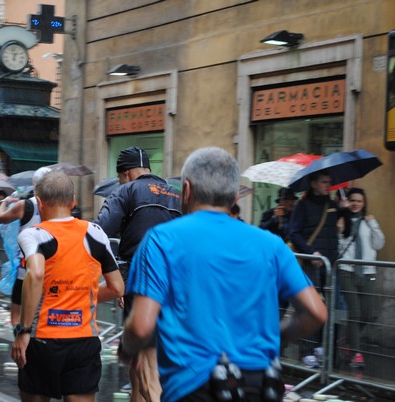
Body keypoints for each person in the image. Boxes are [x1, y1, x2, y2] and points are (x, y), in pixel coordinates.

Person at [121, 147, 327, 402]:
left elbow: (141, 326)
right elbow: (316, 312)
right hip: (261, 383)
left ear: (186, 190)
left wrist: (127, 347)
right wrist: (273, 336)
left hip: (193, 387)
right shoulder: (270, 244)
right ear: (235, 197)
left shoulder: (161, 240)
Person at [11, 170, 124, 402]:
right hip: (84, 339)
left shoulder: (33, 234)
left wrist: (23, 331)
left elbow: (36, 273)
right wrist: (84, 294)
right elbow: (117, 288)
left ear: (39, 203)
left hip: (43, 340)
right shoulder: (96, 232)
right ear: (73, 202)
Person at [94, 146, 180, 402]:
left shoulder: (126, 190)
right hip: (175, 281)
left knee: (142, 356)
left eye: (120, 176)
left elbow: (99, 232)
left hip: (141, 277)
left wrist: (116, 275)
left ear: (127, 172)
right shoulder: (175, 194)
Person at [289, 169, 350, 363]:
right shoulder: (303, 206)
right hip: (311, 266)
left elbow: (346, 230)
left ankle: (325, 347)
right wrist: (310, 251)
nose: (328, 185)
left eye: (329, 182)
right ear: (313, 183)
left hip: (331, 266)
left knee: (339, 308)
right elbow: (294, 233)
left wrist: (346, 209)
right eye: (324, 182)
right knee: (312, 309)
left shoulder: (332, 205)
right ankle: (308, 351)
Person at [0, 166, 51, 325]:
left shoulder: (26, 205)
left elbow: (0, 218)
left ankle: (21, 342)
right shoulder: (59, 207)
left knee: (17, 312)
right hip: (51, 266)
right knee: (44, 311)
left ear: (34, 183)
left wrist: (5, 202)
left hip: (26, 267)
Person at [337, 187, 385, 371]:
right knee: (355, 313)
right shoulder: (342, 222)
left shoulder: (369, 222)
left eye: (359, 201)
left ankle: (348, 338)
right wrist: (340, 231)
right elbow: (340, 249)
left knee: (367, 314)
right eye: (352, 200)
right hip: (347, 271)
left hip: (367, 272)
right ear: (347, 202)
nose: (355, 203)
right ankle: (356, 354)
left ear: (364, 203)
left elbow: (379, 243)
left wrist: (373, 224)